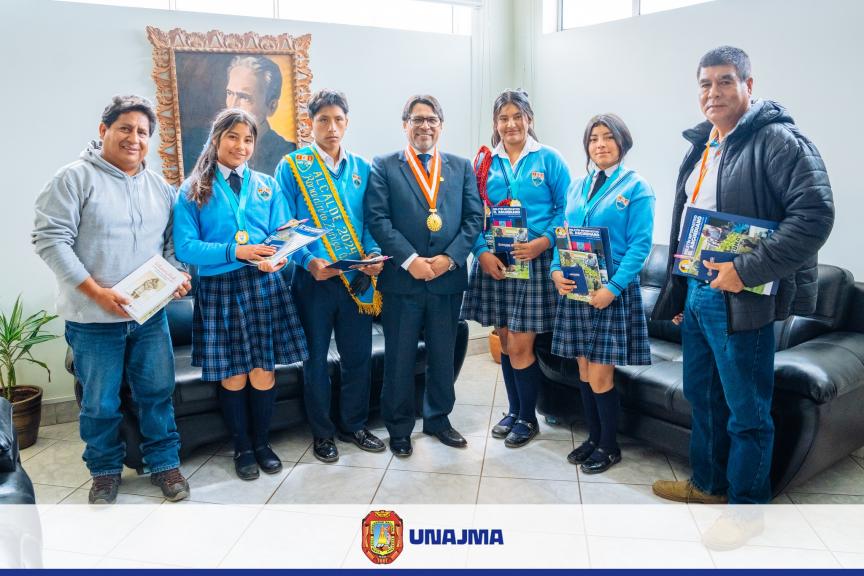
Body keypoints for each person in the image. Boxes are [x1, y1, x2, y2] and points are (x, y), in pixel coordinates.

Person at [650, 46, 833, 544]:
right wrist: (681, 289)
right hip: (699, 293)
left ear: (750, 85)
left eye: (726, 81)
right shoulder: (703, 144)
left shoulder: (779, 141)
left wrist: (744, 269)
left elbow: (814, 218)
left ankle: (748, 512)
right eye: (706, 84)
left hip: (745, 299)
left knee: (748, 412)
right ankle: (708, 485)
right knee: (702, 397)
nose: (714, 92)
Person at [32, 95, 192, 504]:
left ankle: (165, 465)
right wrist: (97, 293)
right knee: (100, 403)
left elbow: (172, 245)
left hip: (149, 317)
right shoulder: (73, 178)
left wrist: (178, 276)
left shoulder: (161, 187)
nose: (134, 138)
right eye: (125, 128)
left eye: (142, 132)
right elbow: (50, 240)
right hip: (92, 319)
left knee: (156, 393)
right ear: (104, 131)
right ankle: (104, 471)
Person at [173, 108, 308, 480]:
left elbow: (281, 235)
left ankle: (263, 444)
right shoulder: (193, 188)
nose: (241, 146)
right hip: (220, 288)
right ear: (216, 139)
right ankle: (242, 447)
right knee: (234, 375)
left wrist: (279, 256)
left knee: (263, 372)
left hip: (263, 285)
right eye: (233, 137)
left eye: (248, 139)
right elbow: (185, 248)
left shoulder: (266, 184)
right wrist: (237, 252)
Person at [365, 94, 483, 457]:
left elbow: (474, 219)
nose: (425, 126)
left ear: (441, 125)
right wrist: (411, 259)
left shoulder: (461, 166)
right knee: (399, 357)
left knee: (443, 354)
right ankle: (399, 428)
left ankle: (438, 419)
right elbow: (378, 219)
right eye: (417, 120)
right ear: (405, 125)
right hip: (403, 280)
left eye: (431, 119)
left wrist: (449, 259)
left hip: (447, 279)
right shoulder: (384, 165)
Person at [274, 89, 386, 463]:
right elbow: (284, 227)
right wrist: (308, 262)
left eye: (338, 119)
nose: (331, 126)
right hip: (313, 282)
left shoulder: (362, 167)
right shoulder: (292, 166)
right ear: (311, 124)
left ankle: (353, 424)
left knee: (358, 357)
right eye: (323, 120)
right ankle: (322, 433)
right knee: (316, 361)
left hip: (354, 279)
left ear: (347, 122)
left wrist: (371, 254)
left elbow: (371, 220)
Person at [461, 89, 571, 447]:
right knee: (506, 340)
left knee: (522, 344)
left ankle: (528, 418)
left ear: (529, 119)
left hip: (534, 263)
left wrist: (543, 242)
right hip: (498, 263)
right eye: (503, 118)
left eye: (517, 116)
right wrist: (481, 252)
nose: (510, 124)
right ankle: (513, 410)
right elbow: (473, 214)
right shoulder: (483, 163)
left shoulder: (549, 159)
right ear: (496, 123)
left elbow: (566, 211)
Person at [550, 114, 655, 474]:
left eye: (608, 137)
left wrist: (612, 288)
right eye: (593, 138)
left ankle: (609, 446)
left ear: (622, 142)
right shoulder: (577, 185)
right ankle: (593, 438)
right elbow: (562, 233)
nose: (600, 144)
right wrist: (555, 271)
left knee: (600, 375)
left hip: (612, 293)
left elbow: (640, 246)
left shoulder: (636, 187)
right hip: (577, 289)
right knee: (582, 369)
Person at [224, 55, 297, 175]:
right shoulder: (212, 144)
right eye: (230, 93)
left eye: (244, 97)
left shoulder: (288, 154)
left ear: (271, 106)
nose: (232, 106)